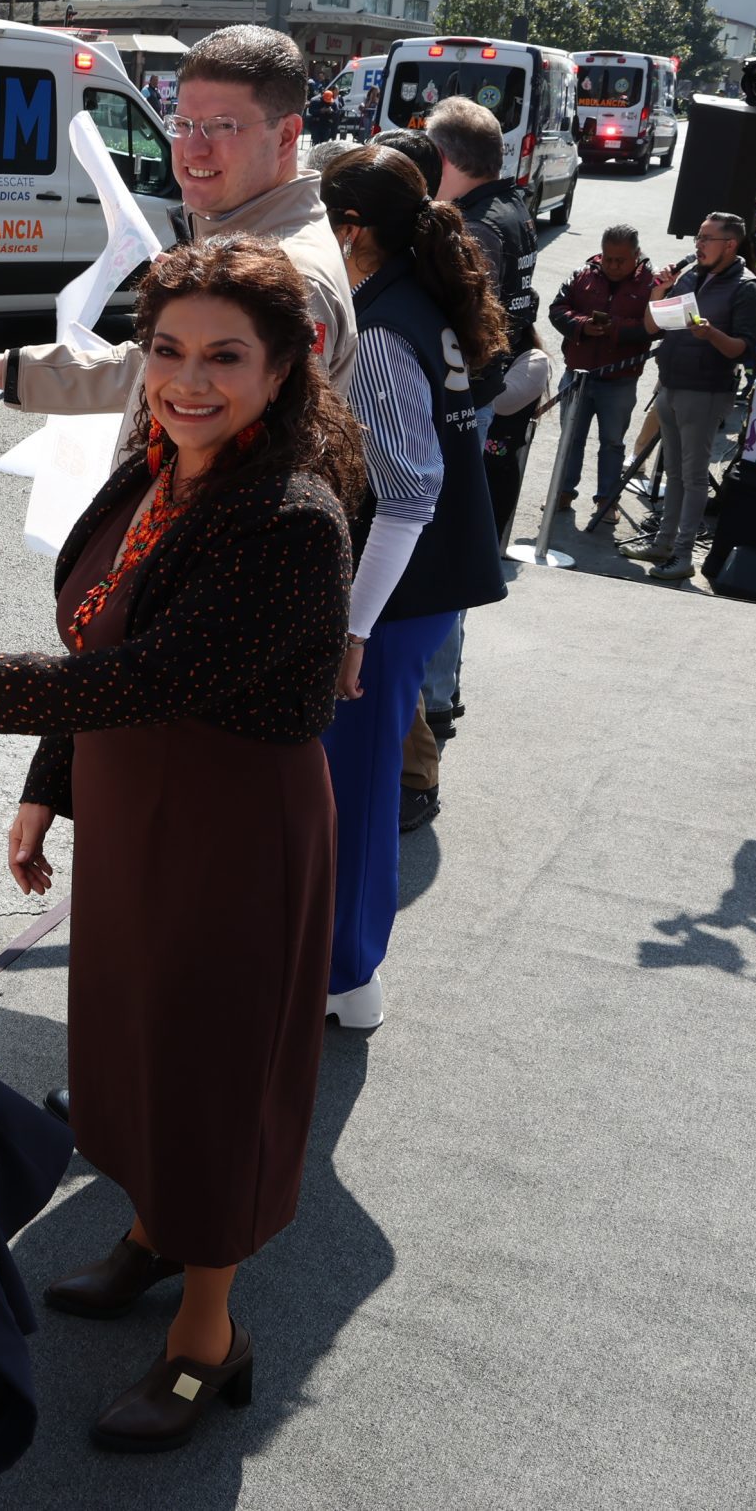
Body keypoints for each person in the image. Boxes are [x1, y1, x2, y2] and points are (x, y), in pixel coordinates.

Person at [0, 236, 358, 1452]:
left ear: (284, 368)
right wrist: (50, 787)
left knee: (211, 1068)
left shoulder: (291, 517)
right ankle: (155, 1236)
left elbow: (160, 673)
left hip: (232, 828)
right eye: (166, 351)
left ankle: (211, 1337)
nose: (187, 379)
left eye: (223, 357)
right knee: (129, 1040)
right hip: (135, 796)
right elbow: (106, 655)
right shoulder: (151, 469)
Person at [0, 26, 357, 435]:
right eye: (183, 124)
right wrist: (9, 370)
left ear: (286, 136)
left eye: (222, 126)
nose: (193, 148)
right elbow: (150, 367)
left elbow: (255, 449)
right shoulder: (240, 231)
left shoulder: (291, 274)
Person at [316, 147, 508, 1026]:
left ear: (349, 231)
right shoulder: (412, 297)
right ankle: (344, 965)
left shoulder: (385, 326)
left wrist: (355, 629)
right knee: (357, 779)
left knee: (356, 788)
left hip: (394, 594)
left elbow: (409, 493)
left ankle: (348, 975)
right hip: (421, 585)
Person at [395, 95, 539, 829]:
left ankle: (437, 698)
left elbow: (458, 315)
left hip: (459, 395)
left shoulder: (477, 226)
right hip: (483, 391)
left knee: (429, 550)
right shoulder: (514, 209)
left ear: (447, 162)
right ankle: (440, 694)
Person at [621, 211, 756, 582]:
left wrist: (712, 335)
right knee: (675, 473)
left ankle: (683, 554)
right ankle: (664, 542)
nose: (698, 245)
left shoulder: (746, 288)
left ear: (730, 245)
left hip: (706, 392)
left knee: (694, 475)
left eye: (706, 239)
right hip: (670, 385)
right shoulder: (689, 276)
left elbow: (745, 351)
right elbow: (653, 328)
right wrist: (659, 291)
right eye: (698, 237)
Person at [545, 225, 660, 536]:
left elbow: (657, 327)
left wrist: (615, 329)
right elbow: (557, 310)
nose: (612, 266)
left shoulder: (653, 285)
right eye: (608, 258)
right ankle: (563, 493)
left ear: (637, 256)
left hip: (619, 380)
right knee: (570, 438)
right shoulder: (582, 274)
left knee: (612, 443)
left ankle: (607, 502)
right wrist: (582, 325)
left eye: (620, 260)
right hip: (577, 375)